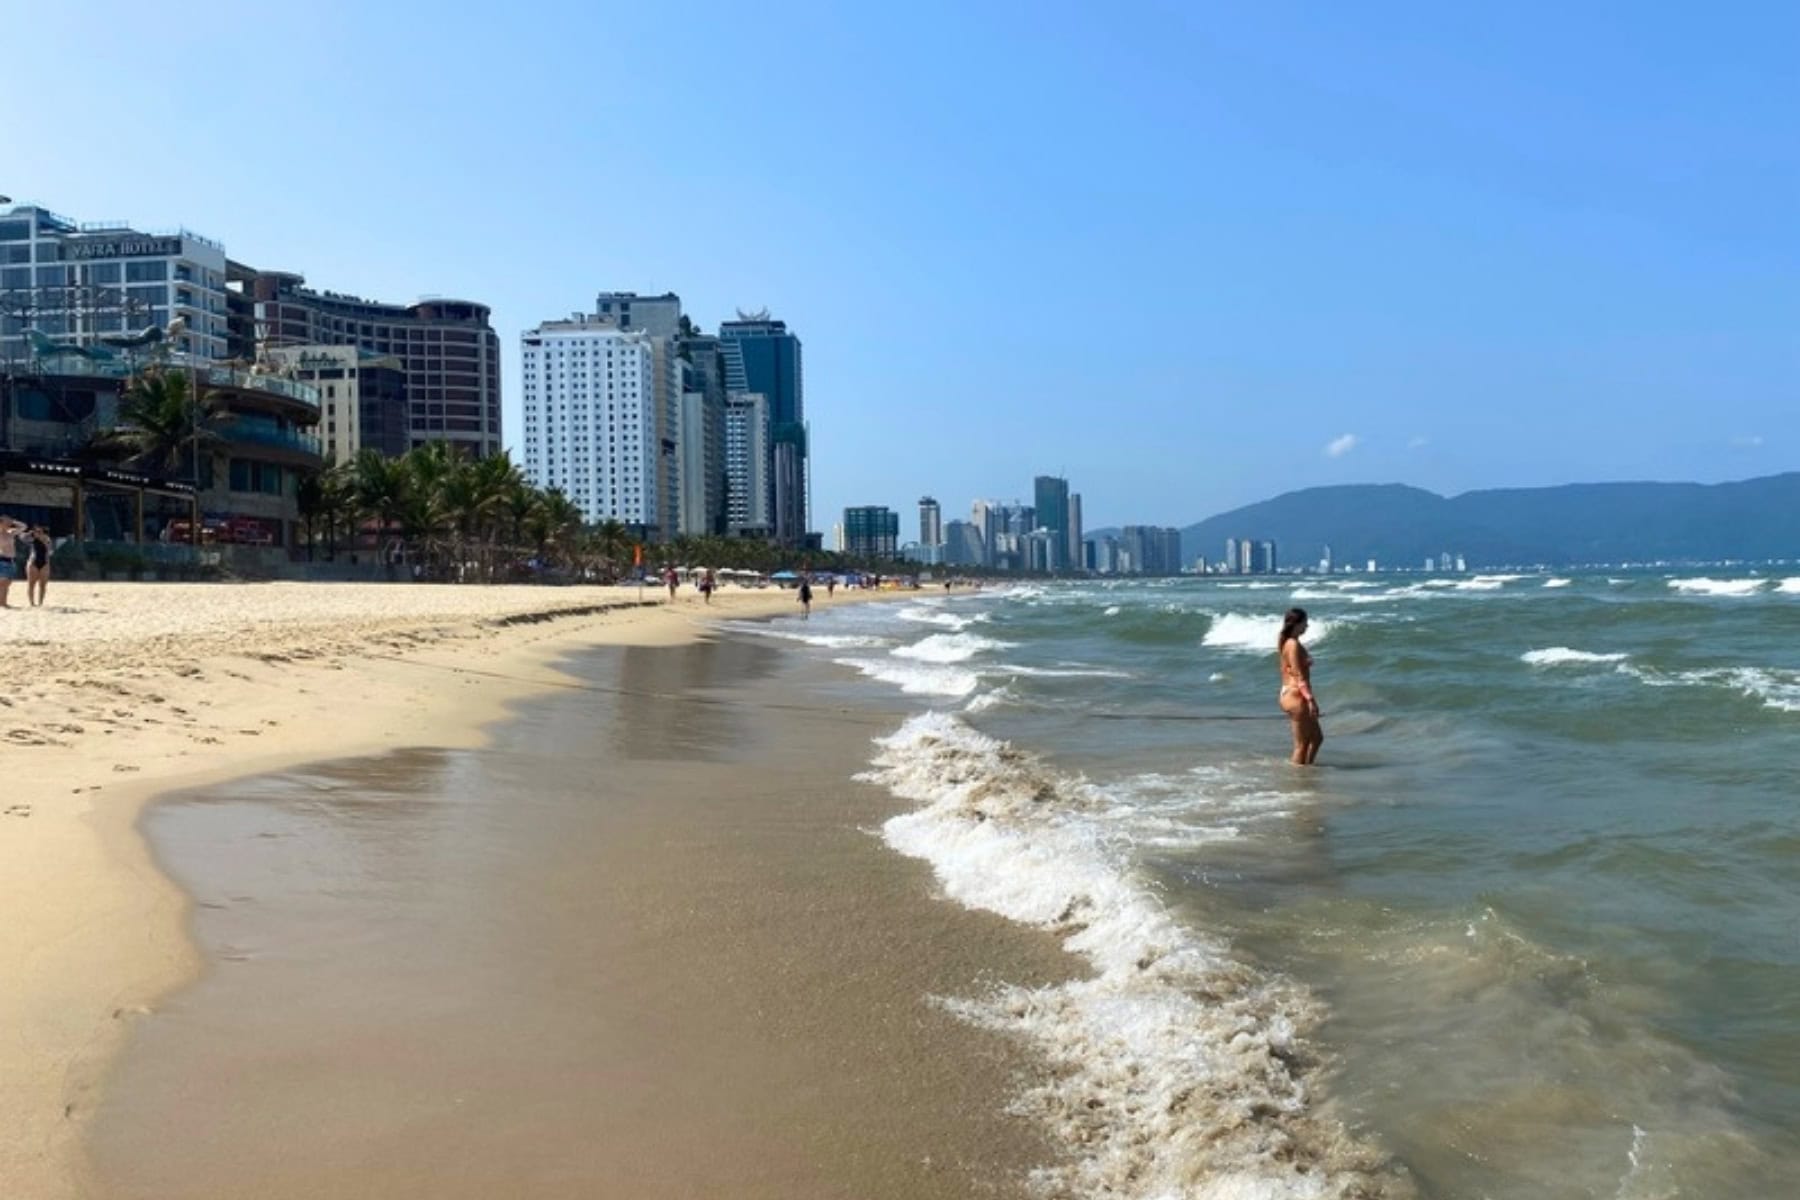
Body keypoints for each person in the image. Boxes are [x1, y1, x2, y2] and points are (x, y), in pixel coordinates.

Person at [1278, 607, 1323, 765]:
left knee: (1317, 738)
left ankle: (1307, 771)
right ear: (1297, 624)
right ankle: (1297, 780)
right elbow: (1299, 676)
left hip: (1291, 693)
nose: (1307, 626)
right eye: (1305, 622)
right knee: (1301, 745)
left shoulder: (1290, 642)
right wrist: (1311, 700)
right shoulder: (1293, 644)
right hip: (1296, 696)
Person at [0, 515, 26, 609]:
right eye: (6, 522)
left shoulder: (11, 532)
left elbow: (24, 527)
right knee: (3, 583)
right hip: (2, 560)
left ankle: (3, 602)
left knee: (7, 583)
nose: (8, 524)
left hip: (11, 561)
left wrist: (13, 521)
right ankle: (3, 603)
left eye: (8, 522)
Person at [25, 526, 51, 607]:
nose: (39, 533)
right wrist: (29, 533)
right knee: (31, 584)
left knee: (43, 585)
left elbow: (49, 550)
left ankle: (40, 603)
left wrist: (43, 540)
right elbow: (22, 537)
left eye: (40, 531)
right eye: (36, 532)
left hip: (44, 563)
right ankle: (32, 603)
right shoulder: (32, 539)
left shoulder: (47, 539)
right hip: (33, 562)